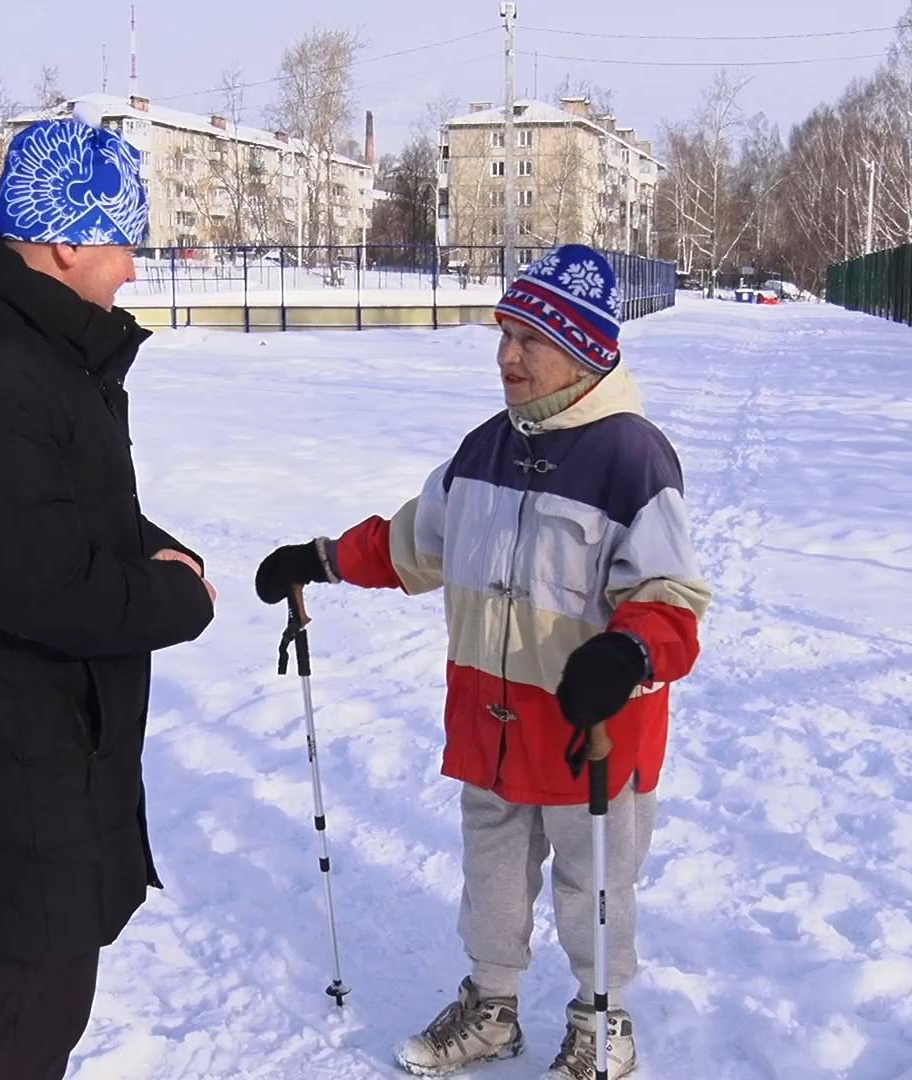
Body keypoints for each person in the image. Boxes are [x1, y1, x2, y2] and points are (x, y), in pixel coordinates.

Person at [256, 246, 710, 1079]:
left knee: (594, 894)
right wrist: (317, 559)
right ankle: (491, 1009)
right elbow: (411, 545)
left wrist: (627, 649)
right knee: (491, 884)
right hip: (493, 726)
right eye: (503, 334)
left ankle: (600, 1021)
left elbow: (671, 599)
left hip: (590, 741)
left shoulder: (633, 458)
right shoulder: (485, 448)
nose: (507, 357)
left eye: (530, 339)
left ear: (582, 350)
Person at [0, 116, 217, 1079]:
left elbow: (71, 511)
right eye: (123, 243)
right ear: (67, 241)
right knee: (24, 1010)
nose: (133, 271)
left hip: (39, 742)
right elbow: (43, 586)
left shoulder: (30, 343)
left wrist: (159, 551)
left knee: (40, 996)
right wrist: (178, 603)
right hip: (7, 756)